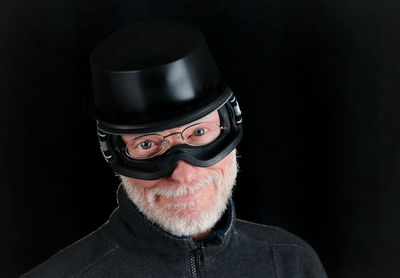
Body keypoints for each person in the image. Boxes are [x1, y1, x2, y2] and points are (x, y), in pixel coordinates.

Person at [22, 21, 327, 277]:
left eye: (198, 132)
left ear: (232, 125)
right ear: (109, 154)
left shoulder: (292, 264)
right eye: (147, 144)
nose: (183, 173)